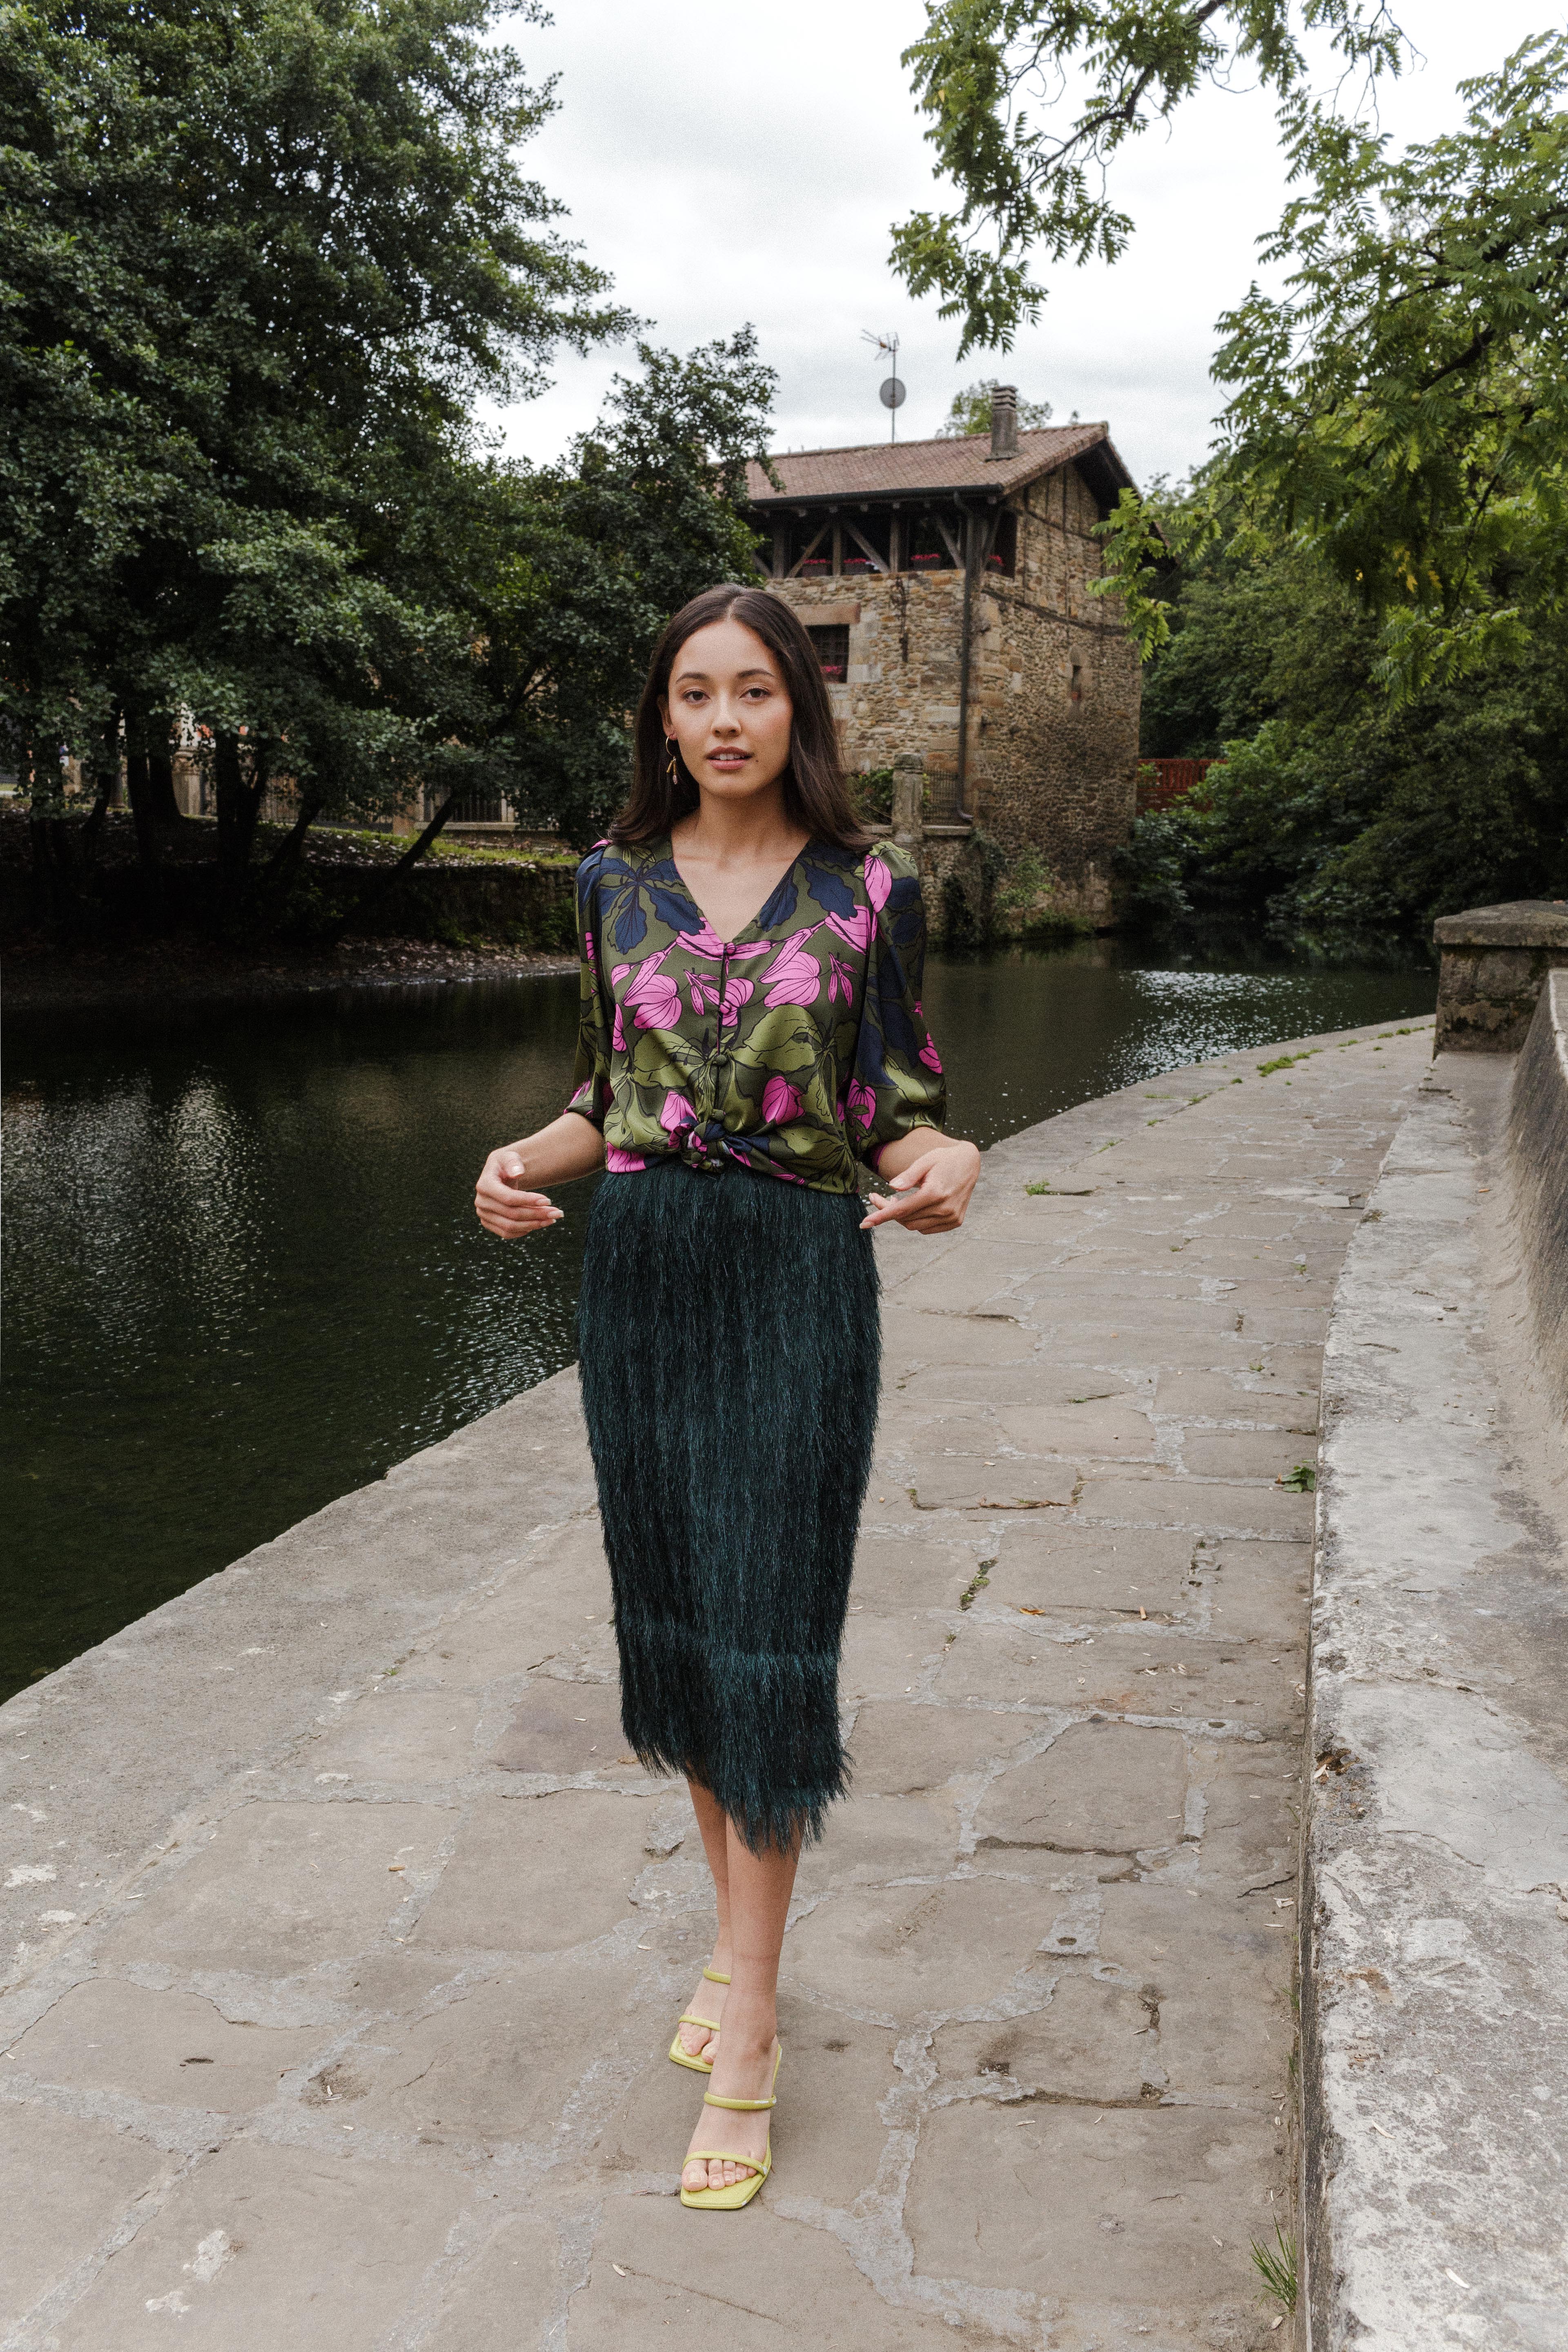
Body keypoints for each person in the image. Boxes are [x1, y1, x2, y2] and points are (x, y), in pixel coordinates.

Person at [475, 584, 980, 2210]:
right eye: (694, 693)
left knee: (770, 1636)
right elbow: (601, 1096)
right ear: (663, 718)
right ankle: (736, 1946)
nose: (723, 720)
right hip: (642, 1281)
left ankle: (750, 2021)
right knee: (687, 1634)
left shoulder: (870, 890)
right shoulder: (607, 883)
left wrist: (950, 1158)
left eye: (753, 690)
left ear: (797, 711)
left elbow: (895, 1108)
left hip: (794, 1279)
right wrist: (515, 1160)